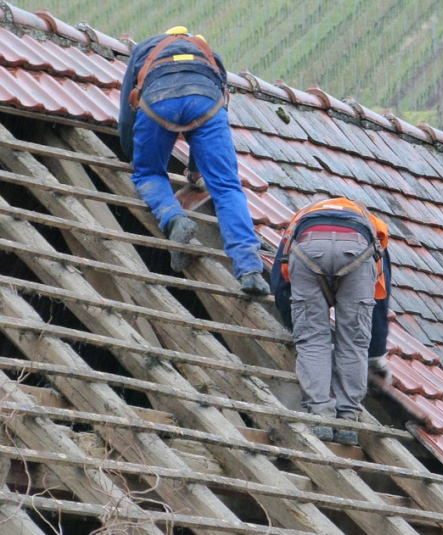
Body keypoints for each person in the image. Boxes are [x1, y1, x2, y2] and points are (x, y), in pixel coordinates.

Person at [118, 26, 270, 295]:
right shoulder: (208, 53)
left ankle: (174, 219)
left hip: (158, 100)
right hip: (206, 103)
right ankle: (250, 270)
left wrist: (134, 155)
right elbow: (214, 108)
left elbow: (127, 112)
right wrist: (197, 170)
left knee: (149, 174)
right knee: (226, 187)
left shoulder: (145, 49)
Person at [271, 197, 392, 445]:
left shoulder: (299, 219)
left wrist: (295, 327)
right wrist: (376, 351)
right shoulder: (373, 225)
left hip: (307, 248)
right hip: (359, 250)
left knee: (313, 340)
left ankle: (320, 417)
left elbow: (280, 283)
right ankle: (347, 420)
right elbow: (380, 293)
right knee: (353, 342)